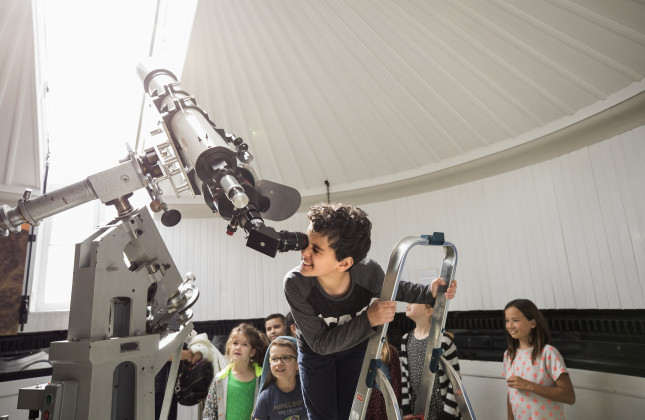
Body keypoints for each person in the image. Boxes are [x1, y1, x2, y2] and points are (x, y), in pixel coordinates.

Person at [284, 202, 457, 420]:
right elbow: (320, 343)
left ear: (344, 263)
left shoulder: (368, 272)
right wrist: (369, 319)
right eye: (306, 243)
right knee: (322, 416)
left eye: (316, 249)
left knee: (353, 412)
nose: (304, 253)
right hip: (315, 355)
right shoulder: (295, 283)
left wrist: (431, 292)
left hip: (354, 347)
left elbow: (397, 288)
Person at [503, 299, 575, 420]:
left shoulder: (548, 353)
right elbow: (512, 394)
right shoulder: (509, 355)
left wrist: (529, 386)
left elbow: (569, 396)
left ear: (533, 323)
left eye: (515, 320)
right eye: (507, 321)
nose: (510, 326)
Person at [399, 303, 461, 419]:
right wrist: (406, 410)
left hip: (443, 412)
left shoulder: (443, 341)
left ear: (429, 311)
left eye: (413, 301)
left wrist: (448, 415)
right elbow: (404, 377)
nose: (408, 303)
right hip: (418, 412)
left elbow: (455, 382)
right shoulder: (406, 340)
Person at [203, 323, 268, 420]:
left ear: (252, 352)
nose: (238, 347)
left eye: (244, 344)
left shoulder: (263, 378)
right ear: (229, 347)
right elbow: (209, 413)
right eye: (235, 343)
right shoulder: (220, 379)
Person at [253, 336, 308, 419]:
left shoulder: (308, 390)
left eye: (286, 358)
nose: (279, 363)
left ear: (298, 363)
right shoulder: (266, 397)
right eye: (274, 359)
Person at [365, 338, 402, 420]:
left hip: (385, 401)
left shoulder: (389, 351)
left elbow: (396, 381)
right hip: (370, 401)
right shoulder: (365, 351)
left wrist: (396, 407)